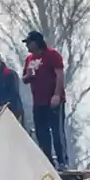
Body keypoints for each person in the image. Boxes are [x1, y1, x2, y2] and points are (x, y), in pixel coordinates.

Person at [21, 31, 68, 170]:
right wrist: (28, 76)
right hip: (38, 101)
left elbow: (59, 75)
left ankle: (62, 161)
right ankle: (47, 161)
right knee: (42, 133)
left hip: (52, 100)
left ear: (36, 42)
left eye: (29, 43)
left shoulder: (52, 55)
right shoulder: (29, 59)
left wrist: (57, 95)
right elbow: (24, 79)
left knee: (57, 131)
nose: (27, 46)